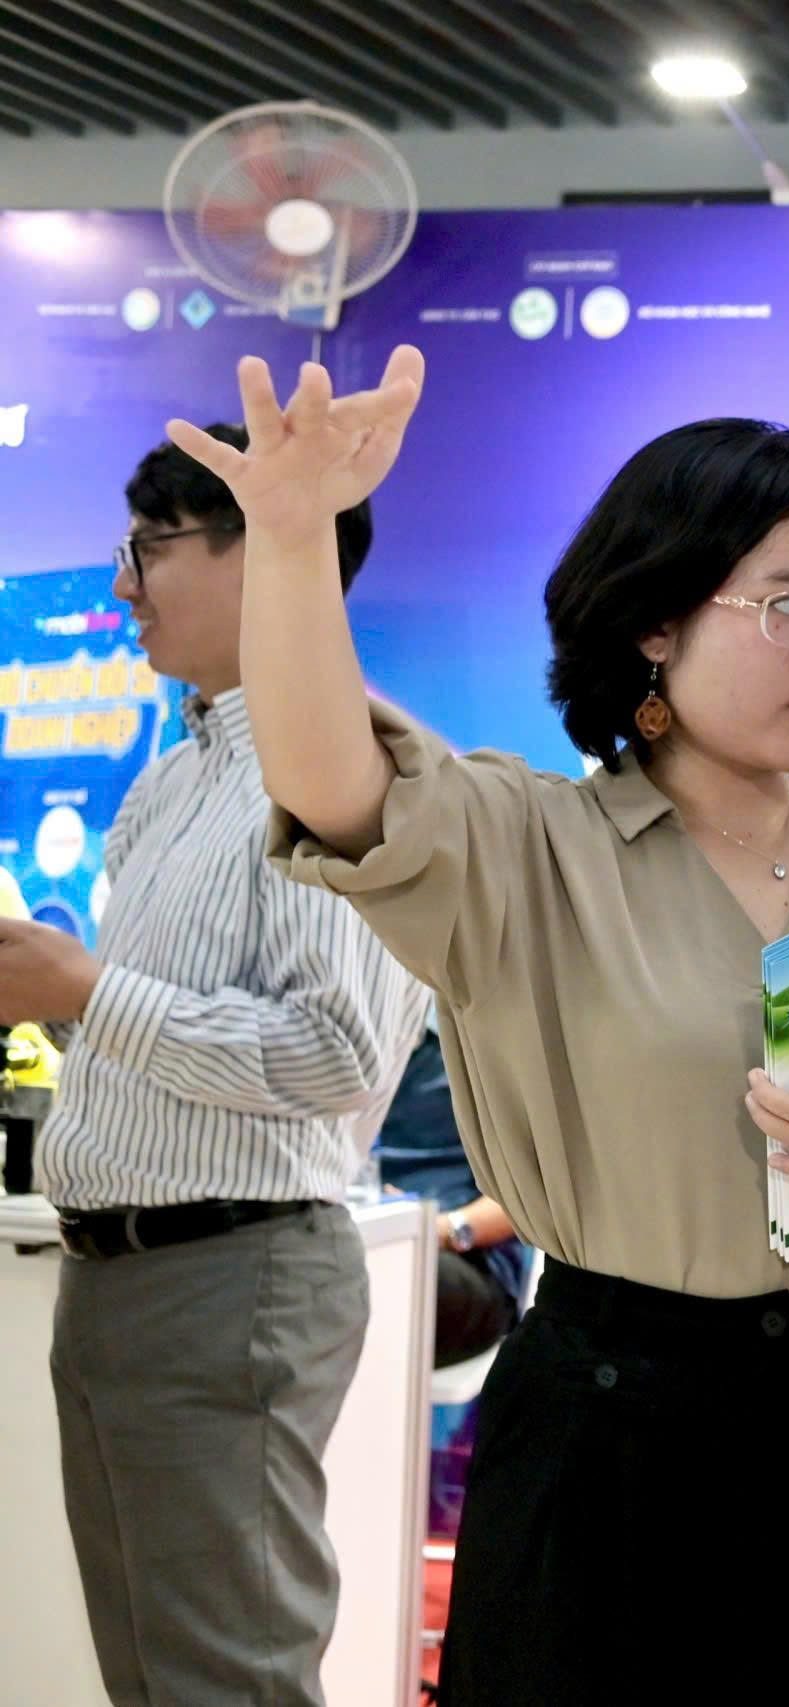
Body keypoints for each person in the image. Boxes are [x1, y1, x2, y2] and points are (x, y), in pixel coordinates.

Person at [168, 348, 789, 1707]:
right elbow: (329, 775)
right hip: (606, 1423)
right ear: (655, 623)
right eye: (785, 605)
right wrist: (290, 540)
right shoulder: (530, 845)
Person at [1, 425, 427, 1707]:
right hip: (122, 1274)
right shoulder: (178, 777)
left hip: (228, 1275)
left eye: (150, 548)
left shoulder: (337, 768)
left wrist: (87, 991)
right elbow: (171, 1037)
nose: (122, 584)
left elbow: (333, 1055)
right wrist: (60, 1004)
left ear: (268, 550)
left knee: (225, 1681)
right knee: (153, 1676)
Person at [371, 1014, 527, 1367]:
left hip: (464, 1259)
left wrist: (439, 1229)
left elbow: (529, 1197)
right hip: (363, 1236)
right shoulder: (349, 1054)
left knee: (376, 1278)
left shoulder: (478, 1051)